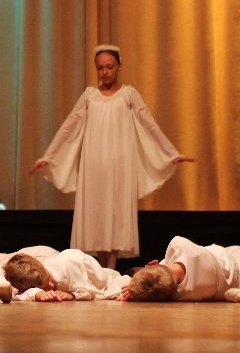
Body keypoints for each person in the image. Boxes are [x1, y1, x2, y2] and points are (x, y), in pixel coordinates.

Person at [28, 44, 193, 269]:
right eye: (100, 68)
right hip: (94, 164)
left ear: (119, 66)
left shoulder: (128, 94)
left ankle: (110, 269)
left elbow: (148, 123)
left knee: (115, 214)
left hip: (119, 163)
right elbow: (69, 126)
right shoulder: (90, 95)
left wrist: (170, 152)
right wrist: (50, 155)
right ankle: (101, 268)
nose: (104, 72)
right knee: (97, 213)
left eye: (109, 67)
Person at [119, 235, 240, 302]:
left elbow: (159, 289)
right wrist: (159, 266)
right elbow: (164, 271)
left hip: (236, 262)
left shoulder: (184, 295)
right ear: (153, 265)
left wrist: (138, 292)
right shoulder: (180, 245)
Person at [2, 249, 129, 302]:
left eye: (49, 279)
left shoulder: (66, 268)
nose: (51, 286)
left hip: (92, 274)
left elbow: (91, 292)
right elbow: (16, 294)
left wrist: (72, 295)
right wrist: (37, 294)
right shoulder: (25, 281)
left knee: (117, 286)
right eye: (45, 287)